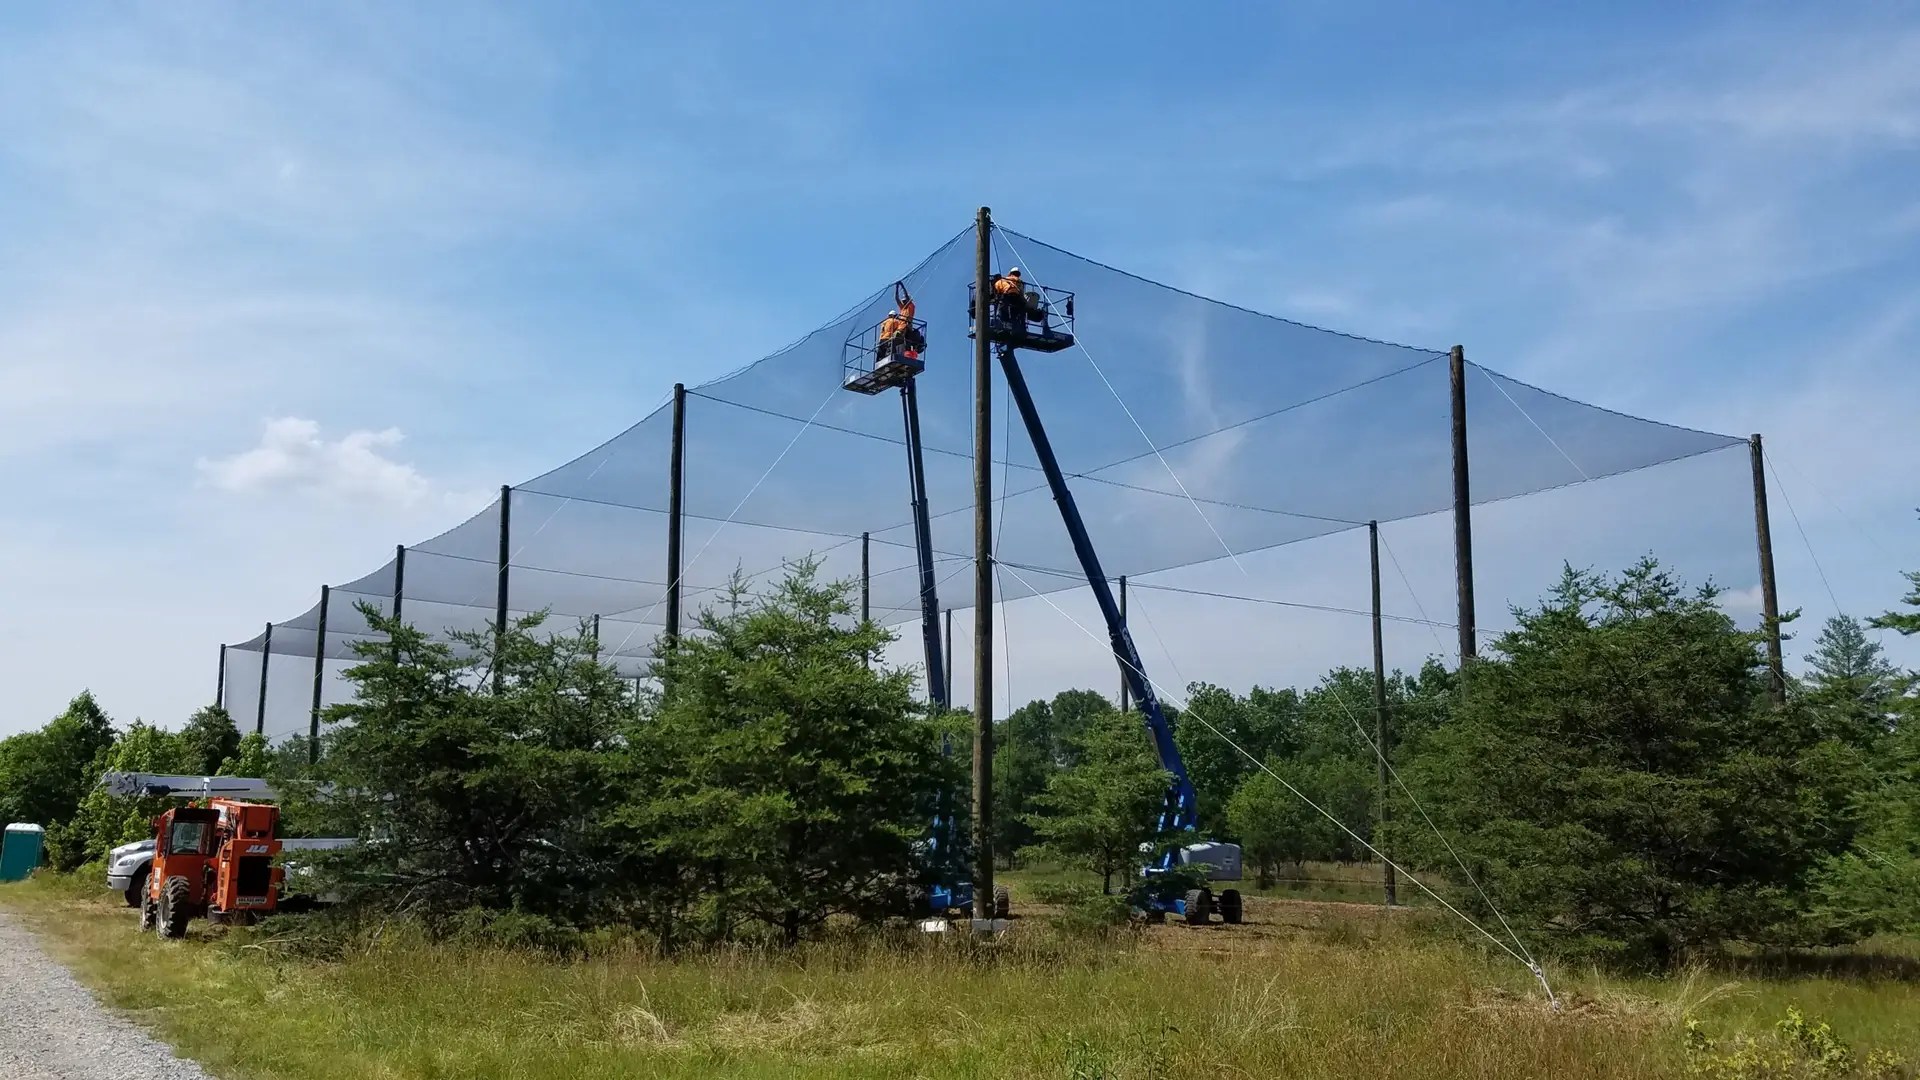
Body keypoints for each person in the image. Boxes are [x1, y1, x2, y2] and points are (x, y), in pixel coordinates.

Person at [991, 267, 1026, 334]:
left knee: (1003, 310)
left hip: (1007, 296)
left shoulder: (1000, 281)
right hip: (1016, 298)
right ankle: (1019, 327)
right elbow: (1021, 293)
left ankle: (1005, 325)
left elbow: (997, 294)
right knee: (1015, 312)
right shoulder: (1019, 281)